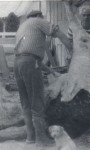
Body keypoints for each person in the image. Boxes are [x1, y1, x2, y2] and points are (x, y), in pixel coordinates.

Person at [14, 10, 59, 146]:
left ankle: (30, 137)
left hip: (18, 63)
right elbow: (54, 31)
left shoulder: (22, 27)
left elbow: (33, 59)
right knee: (37, 101)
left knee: (26, 102)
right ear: (39, 17)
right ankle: (41, 140)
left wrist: (52, 71)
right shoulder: (38, 21)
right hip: (29, 63)